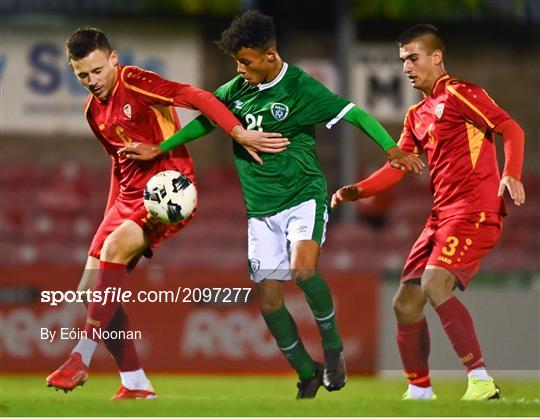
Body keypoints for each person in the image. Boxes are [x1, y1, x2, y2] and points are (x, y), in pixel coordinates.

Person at [121, 11, 423, 399]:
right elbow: (208, 120)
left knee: (303, 269)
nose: (239, 68)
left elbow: (354, 113)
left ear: (270, 55)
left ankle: (333, 351)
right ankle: (306, 371)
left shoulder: (300, 88)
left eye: (245, 61)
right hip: (261, 210)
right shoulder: (236, 89)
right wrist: (161, 148)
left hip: (303, 196)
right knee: (269, 301)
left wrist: (392, 149)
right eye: (236, 62)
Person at [45, 27, 288, 400]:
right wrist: (107, 222)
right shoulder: (93, 112)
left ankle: (80, 358)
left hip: (167, 191)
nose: (92, 82)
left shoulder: (136, 81)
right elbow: (118, 166)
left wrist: (238, 132)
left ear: (113, 59)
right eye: (82, 75)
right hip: (126, 198)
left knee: (112, 254)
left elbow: (196, 97)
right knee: (89, 291)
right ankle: (136, 384)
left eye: (97, 71)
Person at [332, 24, 525, 401]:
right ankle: (420, 391)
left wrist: (510, 174)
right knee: (404, 304)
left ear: (437, 57)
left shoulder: (461, 93)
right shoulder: (417, 114)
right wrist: (360, 191)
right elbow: (398, 165)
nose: (406, 67)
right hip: (440, 217)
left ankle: (481, 380)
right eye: (403, 59)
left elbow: (511, 128)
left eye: (413, 58)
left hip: (475, 211)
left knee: (435, 284)